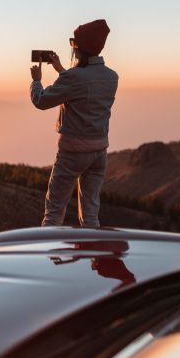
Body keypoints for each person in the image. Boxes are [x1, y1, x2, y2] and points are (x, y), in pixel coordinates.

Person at [29, 19, 118, 228]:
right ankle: (92, 257)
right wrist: (61, 69)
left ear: (80, 47)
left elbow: (41, 101)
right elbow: (83, 88)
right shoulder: (112, 77)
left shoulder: (74, 78)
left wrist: (36, 80)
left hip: (72, 153)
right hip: (99, 153)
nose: (72, 46)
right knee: (90, 215)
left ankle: (47, 257)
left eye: (73, 42)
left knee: (54, 211)